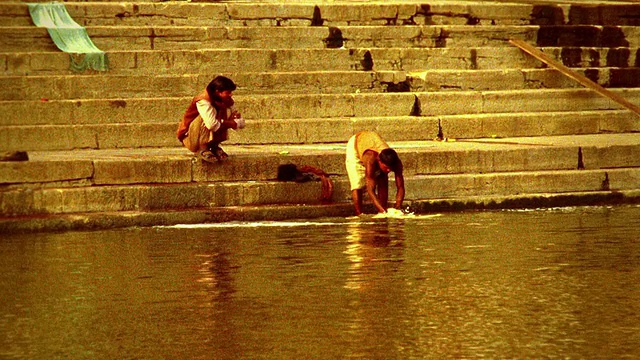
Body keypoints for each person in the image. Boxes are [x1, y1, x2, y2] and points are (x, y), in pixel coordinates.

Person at [176, 76, 245, 162]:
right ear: (218, 92)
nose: (231, 95)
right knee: (207, 119)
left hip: (214, 131)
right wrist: (229, 123)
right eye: (228, 92)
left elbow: (241, 122)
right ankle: (203, 148)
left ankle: (214, 146)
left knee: (225, 112)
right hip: (191, 137)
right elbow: (211, 124)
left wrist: (232, 120)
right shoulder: (203, 101)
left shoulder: (226, 100)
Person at [345, 131, 405, 215]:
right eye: (386, 167)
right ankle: (359, 213)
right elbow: (370, 190)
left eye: (390, 168)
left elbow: (400, 187)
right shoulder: (370, 160)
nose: (388, 170)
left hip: (371, 141)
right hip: (356, 144)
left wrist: (398, 207)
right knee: (357, 183)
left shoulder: (396, 163)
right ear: (379, 161)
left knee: (383, 179)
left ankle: (382, 208)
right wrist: (384, 212)